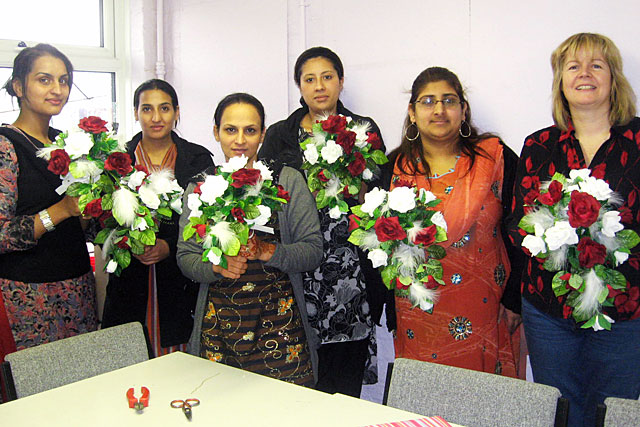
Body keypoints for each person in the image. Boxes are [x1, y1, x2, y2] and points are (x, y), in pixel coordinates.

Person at [510, 33, 640, 426]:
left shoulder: (638, 142)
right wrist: (559, 247)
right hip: (548, 310)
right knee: (560, 410)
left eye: (596, 65)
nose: (585, 74)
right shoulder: (538, 145)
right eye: (573, 66)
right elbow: (518, 221)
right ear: (561, 82)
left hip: (624, 309)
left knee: (614, 412)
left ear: (613, 78)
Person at [258, 46, 387, 396]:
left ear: (341, 82)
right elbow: (266, 201)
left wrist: (356, 186)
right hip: (298, 267)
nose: (319, 86)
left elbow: (380, 200)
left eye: (327, 77)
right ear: (299, 87)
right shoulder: (280, 135)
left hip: (350, 270)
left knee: (344, 380)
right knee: (299, 378)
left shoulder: (362, 129)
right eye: (309, 79)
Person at [177, 93, 322, 386]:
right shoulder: (200, 186)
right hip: (219, 330)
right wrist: (216, 267)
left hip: (281, 330)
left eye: (250, 130)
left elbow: (313, 250)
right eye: (230, 129)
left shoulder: (287, 180)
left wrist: (270, 251)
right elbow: (186, 257)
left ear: (263, 134)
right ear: (215, 132)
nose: (240, 139)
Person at [387, 66, 523, 377]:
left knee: (485, 401)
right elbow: (383, 247)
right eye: (427, 101)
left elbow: (522, 229)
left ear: (463, 110)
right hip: (418, 313)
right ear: (412, 112)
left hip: (486, 308)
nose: (439, 110)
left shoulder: (495, 159)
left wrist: (515, 298)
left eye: (449, 100)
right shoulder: (395, 169)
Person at [101, 79, 214, 357]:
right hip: (130, 274)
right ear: (136, 112)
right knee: (129, 356)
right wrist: (128, 242)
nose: (156, 117)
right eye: (147, 109)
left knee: (181, 361)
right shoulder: (117, 160)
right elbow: (102, 219)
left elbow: (208, 220)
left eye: (164, 108)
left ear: (177, 112)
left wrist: (169, 246)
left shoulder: (197, 159)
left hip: (179, 277)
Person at [0, 44, 98, 362]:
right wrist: (62, 210)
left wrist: (96, 210)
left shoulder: (67, 144)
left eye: (64, 80)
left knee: (82, 383)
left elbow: (81, 224)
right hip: (29, 293)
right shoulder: (5, 146)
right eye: (44, 80)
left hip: (77, 283)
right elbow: (1, 235)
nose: (57, 90)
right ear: (18, 86)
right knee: (38, 388)